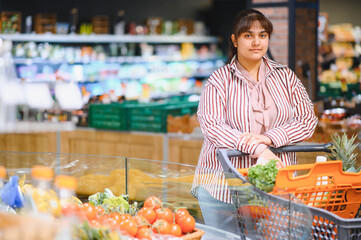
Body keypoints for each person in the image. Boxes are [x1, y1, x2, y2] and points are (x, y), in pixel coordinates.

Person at [192, 9, 317, 233]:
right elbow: (212, 126)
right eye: (248, 35)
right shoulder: (219, 80)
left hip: (277, 188)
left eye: (263, 35)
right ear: (235, 40)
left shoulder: (286, 77)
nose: (256, 42)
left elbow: (307, 120)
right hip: (224, 189)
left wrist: (269, 138)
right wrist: (257, 148)